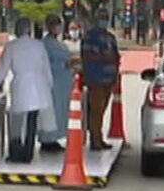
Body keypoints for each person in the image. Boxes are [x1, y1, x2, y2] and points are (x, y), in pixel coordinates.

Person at [0, 17, 54, 164]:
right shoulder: (39, 45)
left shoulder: (12, 46)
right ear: (29, 31)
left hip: (20, 87)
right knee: (31, 122)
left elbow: (2, 69)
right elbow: (46, 69)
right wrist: (48, 87)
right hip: (38, 87)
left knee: (16, 123)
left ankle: (16, 152)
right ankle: (28, 153)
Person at [79, 12, 120, 150]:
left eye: (106, 19)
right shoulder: (89, 37)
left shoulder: (110, 37)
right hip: (95, 78)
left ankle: (99, 137)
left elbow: (115, 56)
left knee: (102, 109)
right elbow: (88, 56)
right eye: (102, 18)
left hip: (108, 78)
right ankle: (95, 139)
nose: (104, 21)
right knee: (96, 109)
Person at [38, 15, 75, 152]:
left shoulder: (60, 43)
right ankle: (47, 139)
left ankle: (54, 138)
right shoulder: (44, 44)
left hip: (62, 84)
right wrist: (63, 65)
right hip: (51, 82)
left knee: (59, 111)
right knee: (50, 112)